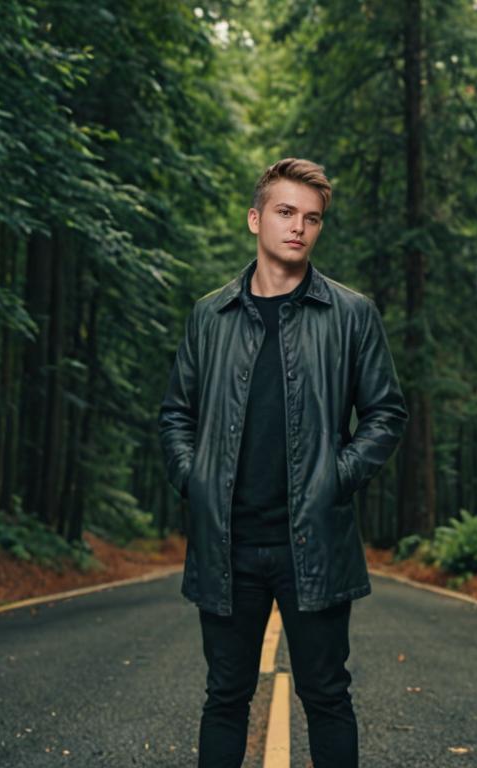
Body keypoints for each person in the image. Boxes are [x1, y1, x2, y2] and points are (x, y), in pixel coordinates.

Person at [158, 157, 408, 767]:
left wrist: (337, 478)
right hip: (228, 545)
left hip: (313, 542)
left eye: (312, 218)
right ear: (256, 218)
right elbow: (175, 416)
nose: (299, 227)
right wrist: (195, 482)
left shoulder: (352, 315)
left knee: (326, 696)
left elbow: (386, 414)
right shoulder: (209, 316)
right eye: (286, 212)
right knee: (225, 699)